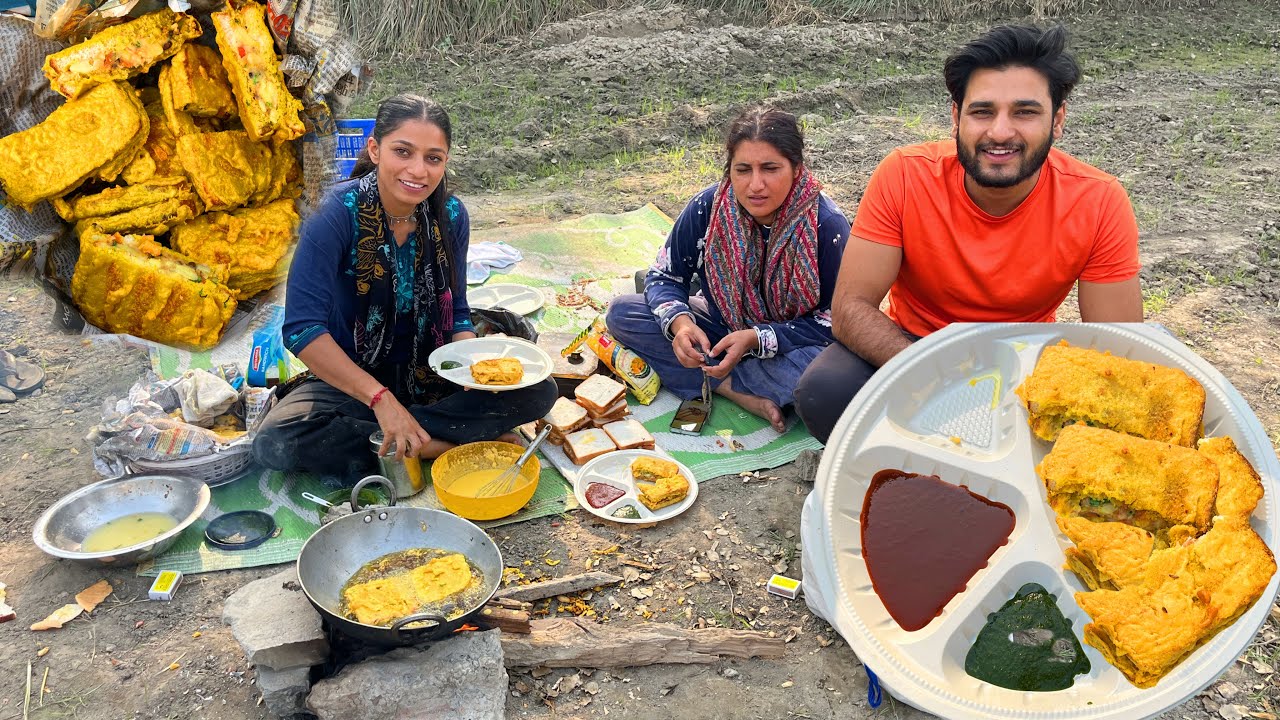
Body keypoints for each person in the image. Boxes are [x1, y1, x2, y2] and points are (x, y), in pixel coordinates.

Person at [794, 24, 1143, 444]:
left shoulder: (1099, 200)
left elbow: (1120, 350)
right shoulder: (905, 175)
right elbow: (849, 309)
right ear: (957, 117)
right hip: (914, 345)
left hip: (1025, 354)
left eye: (1025, 112)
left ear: (1058, 119)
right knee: (825, 392)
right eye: (982, 111)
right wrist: (937, 378)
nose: (1000, 132)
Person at [253, 94, 557, 483]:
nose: (418, 170)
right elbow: (302, 329)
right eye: (403, 151)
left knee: (538, 392)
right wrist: (381, 400)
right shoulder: (334, 215)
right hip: (356, 382)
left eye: (433, 158)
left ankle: (401, 438)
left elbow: (457, 310)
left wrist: (471, 366)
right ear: (375, 149)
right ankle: (442, 445)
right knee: (278, 440)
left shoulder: (450, 215)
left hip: (430, 373)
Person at [607, 107, 850, 433]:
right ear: (729, 171)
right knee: (624, 313)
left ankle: (721, 376)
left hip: (793, 344)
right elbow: (665, 276)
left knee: (827, 386)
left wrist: (757, 339)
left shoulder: (826, 225)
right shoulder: (707, 208)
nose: (756, 185)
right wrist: (680, 325)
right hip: (723, 328)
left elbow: (835, 321)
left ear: (796, 168)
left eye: (770, 168)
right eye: (743, 170)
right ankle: (734, 388)